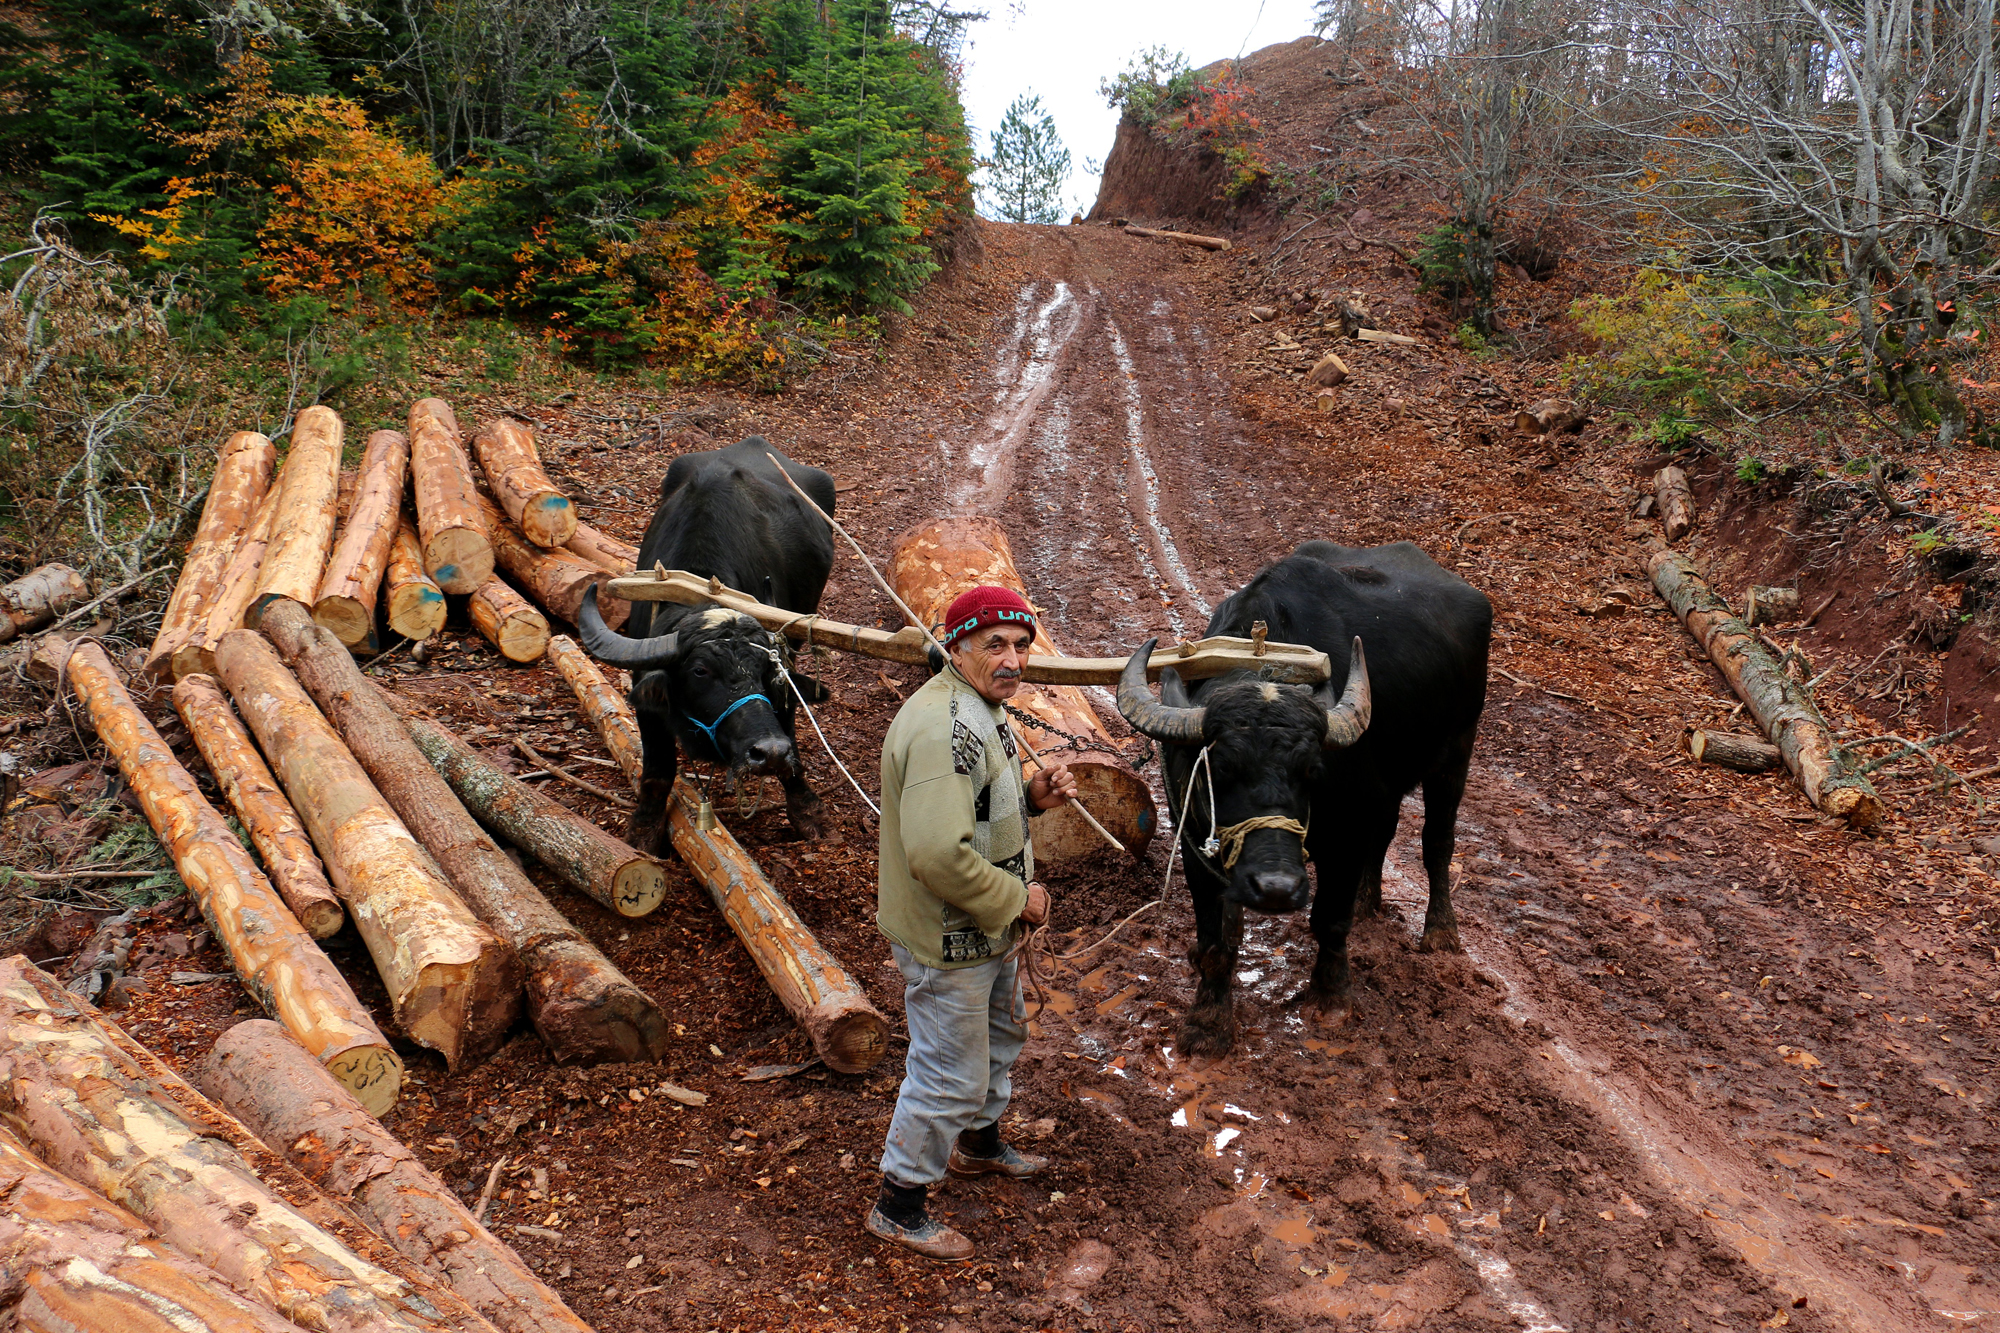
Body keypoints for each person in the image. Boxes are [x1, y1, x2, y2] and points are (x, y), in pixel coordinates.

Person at [865, 584, 1079, 1259]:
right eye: (996, 645)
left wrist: (1034, 799)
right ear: (956, 648)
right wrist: (1019, 901)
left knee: (1001, 1031)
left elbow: (974, 812)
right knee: (948, 1071)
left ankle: (979, 1145)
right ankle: (899, 1205)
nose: (1013, 658)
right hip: (950, 935)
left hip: (984, 931)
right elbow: (936, 854)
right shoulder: (945, 729)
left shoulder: (982, 706)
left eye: (1021, 644)